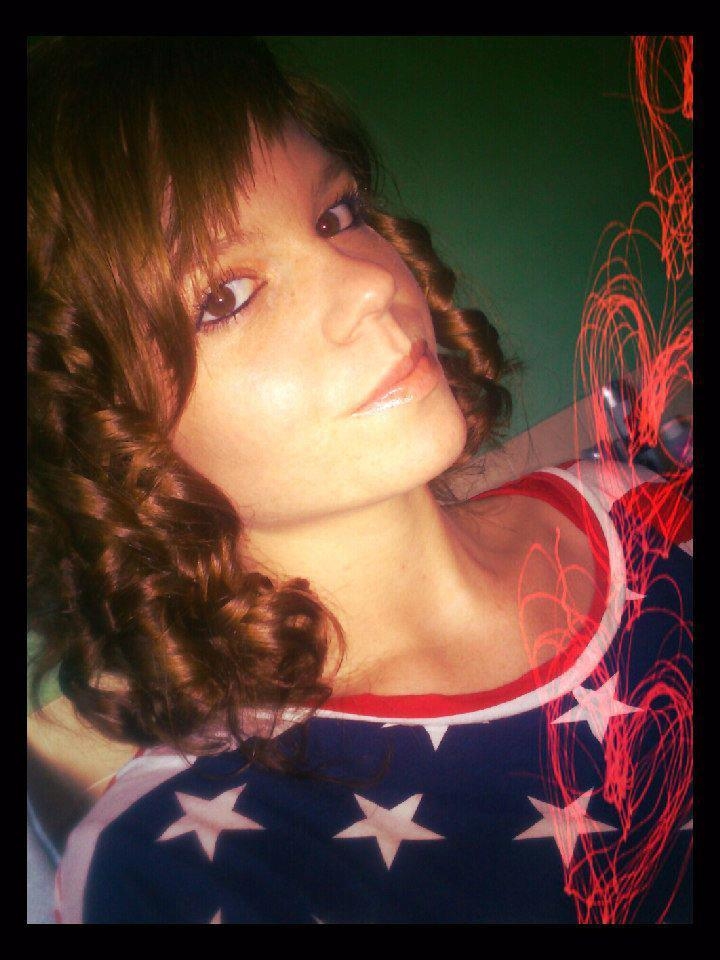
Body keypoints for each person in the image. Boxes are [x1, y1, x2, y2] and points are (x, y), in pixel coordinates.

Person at [28, 36, 692, 924]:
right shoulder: (178, 871)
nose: (370, 286)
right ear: (101, 431)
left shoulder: (636, 504)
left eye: (336, 214)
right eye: (224, 296)